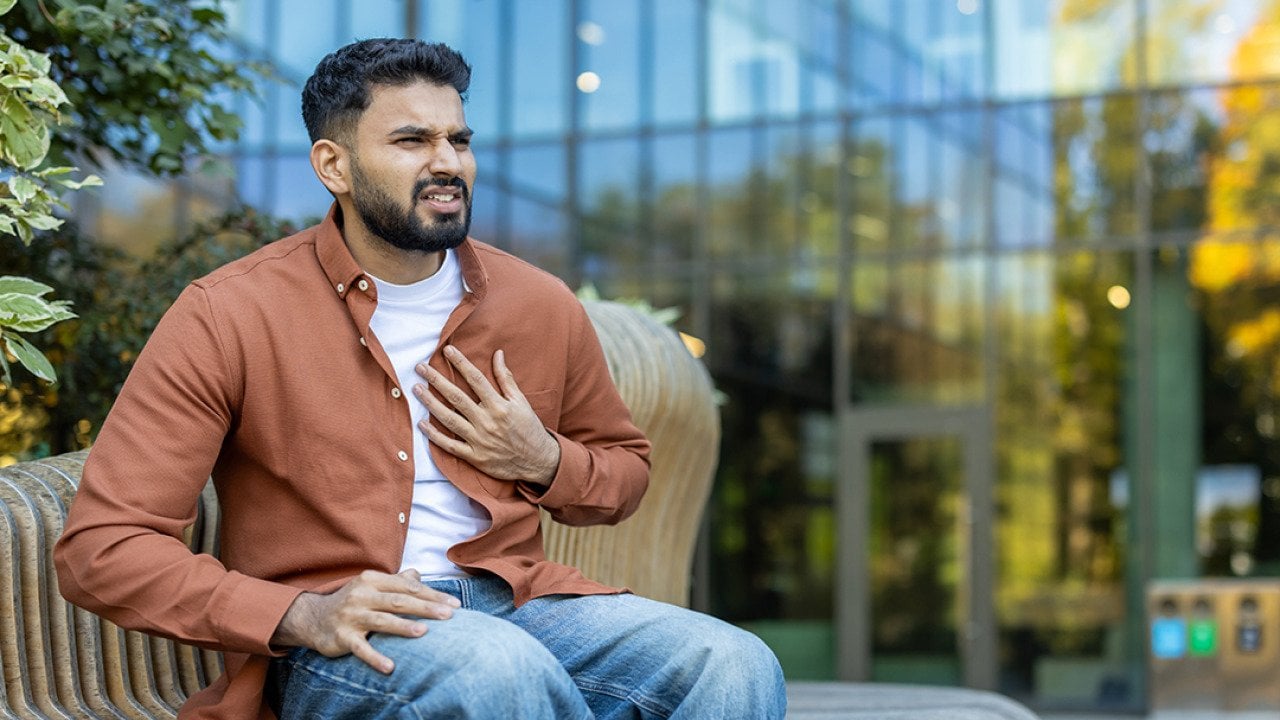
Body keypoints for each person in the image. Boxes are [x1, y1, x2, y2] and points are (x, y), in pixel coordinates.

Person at [54, 37, 786, 719]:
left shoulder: (538, 303)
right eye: (412, 141)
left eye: (458, 140)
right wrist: (300, 613)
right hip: (343, 636)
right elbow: (104, 547)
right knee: (494, 671)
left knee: (732, 663)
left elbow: (624, 475)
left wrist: (546, 461)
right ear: (333, 166)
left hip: (522, 604)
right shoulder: (230, 313)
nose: (449, 162)